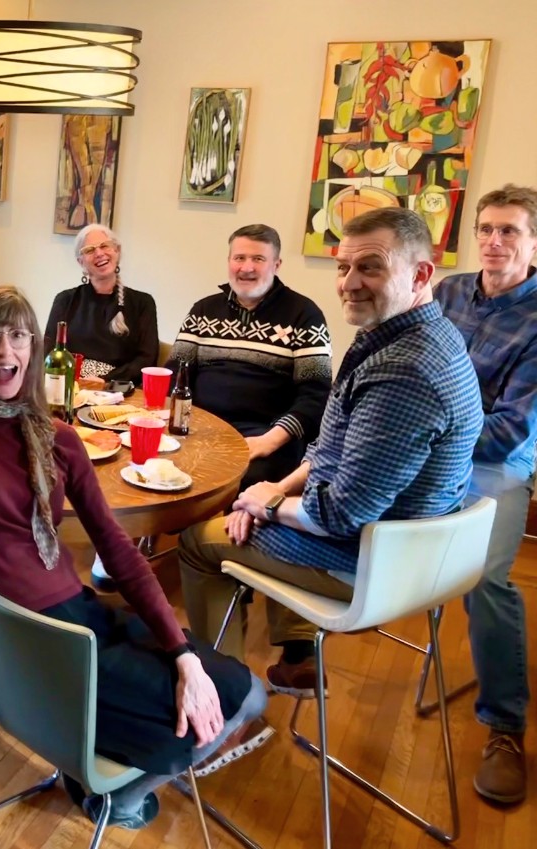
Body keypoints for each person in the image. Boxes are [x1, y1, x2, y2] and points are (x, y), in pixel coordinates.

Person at [0, 286, 270, 830]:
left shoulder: (60, 440)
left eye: (19, 336)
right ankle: (120, 797)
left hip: (77, 615)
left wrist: (181, 652)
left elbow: (117, 549)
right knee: (238, 699)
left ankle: (108, 780)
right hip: (34, 643)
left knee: (244, 692)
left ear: (37, 351)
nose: (5, 351)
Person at [178, 208, 484, 698]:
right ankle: (292, 661)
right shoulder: (405, 335)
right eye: (343, 267)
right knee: (259, 503)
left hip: (373, 560)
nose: (348, 282)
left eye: (371, 267)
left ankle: (226, 694)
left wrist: (268, 505)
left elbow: (341, 513)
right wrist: (276, 489)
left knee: (197, 542)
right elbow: (331, 447)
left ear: (421, 274)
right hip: (401, 544)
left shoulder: (403, 370)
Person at [434, 184, 537, 806]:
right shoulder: (447, 292)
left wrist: (423, 433)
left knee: (487, 584)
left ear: (533, 243)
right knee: (348, 509)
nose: (495, 242)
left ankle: (505, 727)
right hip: (430, 452)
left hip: (490, 469)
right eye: (487, 230)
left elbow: (507, 433)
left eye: (511, 232)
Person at [170, 224, 332, 489]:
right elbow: (177, 371)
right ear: (229, 262)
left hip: (265, 435)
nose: (247, 268)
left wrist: (270, 440)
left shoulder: (305, 315)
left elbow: (317, 396)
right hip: (200, 427)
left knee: (230, 482)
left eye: (258, 259)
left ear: (276, 264)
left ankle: (213, 531)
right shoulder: (203, 309)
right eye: (240, 258)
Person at [46, 224, 158, 387]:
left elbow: (147, 359)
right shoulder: (64, 300)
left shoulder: (143, 303)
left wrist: (105, 380)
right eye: (90, 250)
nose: (99, 253)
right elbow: (49, 351)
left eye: (105, 246)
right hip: (71, 386)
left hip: (118, 388)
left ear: (117, 251)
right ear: (80, 262)